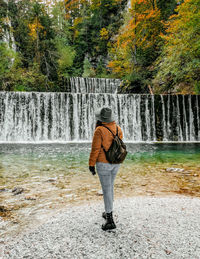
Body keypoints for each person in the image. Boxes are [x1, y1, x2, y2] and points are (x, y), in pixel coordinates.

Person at [89, 107, 123, 231]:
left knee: (107, 190)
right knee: (110, 188)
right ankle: (108, 211)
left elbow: (95, 149)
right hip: (116, 163)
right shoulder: (118, 128)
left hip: (103, 164)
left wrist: (91, 165)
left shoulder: (99, 130)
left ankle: (110, 219)